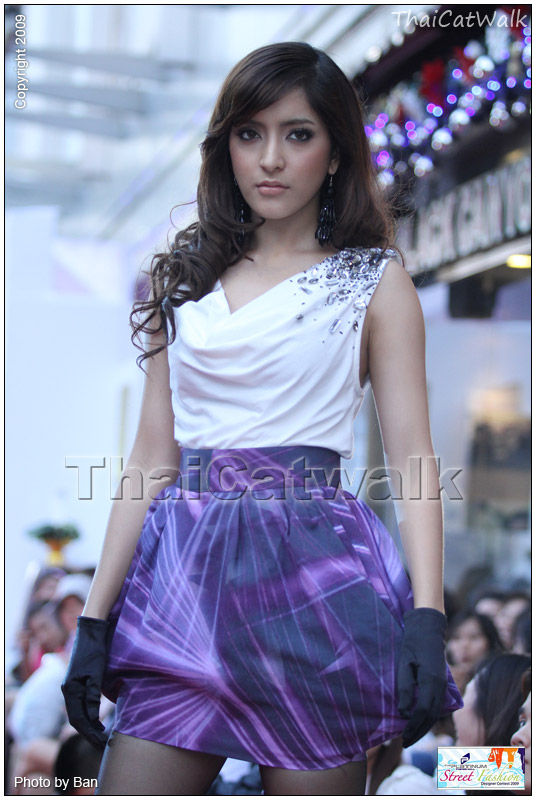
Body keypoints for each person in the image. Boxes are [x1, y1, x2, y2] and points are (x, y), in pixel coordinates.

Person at [61, 42, 463, 796]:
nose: (270, 159)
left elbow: (413, 460)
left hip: (317, 591)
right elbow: (150, 459)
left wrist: (428, 616)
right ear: (227, 148)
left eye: (297, 134)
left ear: (335, 154)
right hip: (183, 590)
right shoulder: (182, 282)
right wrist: (92, 618)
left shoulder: (373, 282)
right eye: (250, 134)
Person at [446, 610, 503, 694]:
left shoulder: (500, 684)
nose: (464, 645)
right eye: (456, 637)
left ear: (490, 642)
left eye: (474, 637)